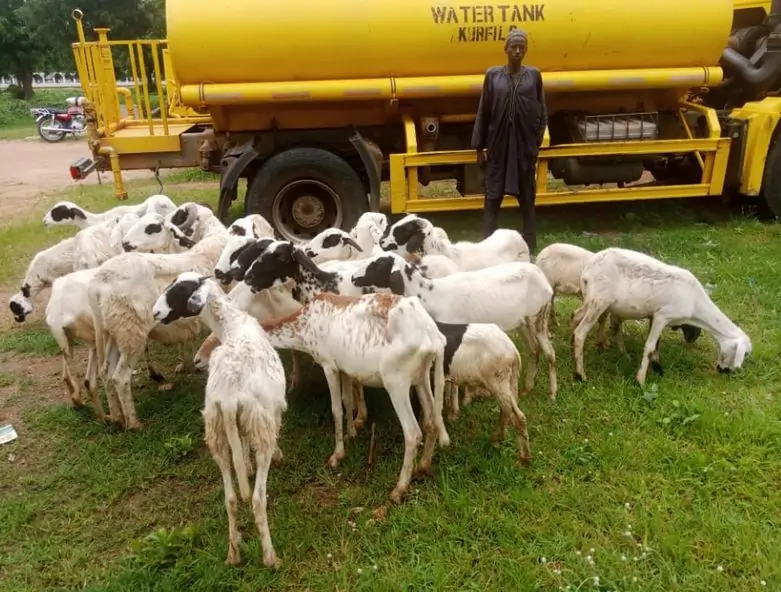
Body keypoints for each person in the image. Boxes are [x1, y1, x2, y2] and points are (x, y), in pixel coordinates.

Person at [470, 28, 548, 254]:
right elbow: (484, 111)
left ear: (526, 50)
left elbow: (542, 110)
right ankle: (486, 247)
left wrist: (536, 142)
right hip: (498, 146)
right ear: (505, 49)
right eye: (513, 47)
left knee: (527, 200)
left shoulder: (534, 76)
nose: (517, 51)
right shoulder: (493, 76)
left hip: (523, 148)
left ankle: (530, 246)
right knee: (492, 198)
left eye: (521, 47)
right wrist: (479, 147)